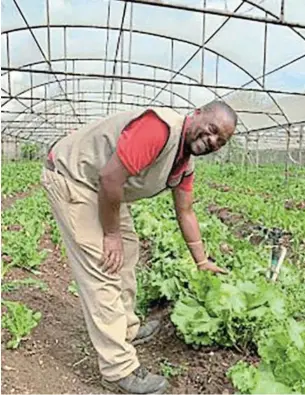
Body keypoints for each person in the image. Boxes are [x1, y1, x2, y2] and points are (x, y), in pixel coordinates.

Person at [41, 100, 237, 394]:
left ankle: (125, 329)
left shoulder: (184, 165)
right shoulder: (158, 128)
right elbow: (109, 177)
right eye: (212, 130)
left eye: (220, 141)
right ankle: (117, 369)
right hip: (76, 179)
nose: (212, 141)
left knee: (127, 253)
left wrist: (202, 261)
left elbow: (185, 212)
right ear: (196, 114)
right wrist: (110, 235)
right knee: (103, 266)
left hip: (105, 188)